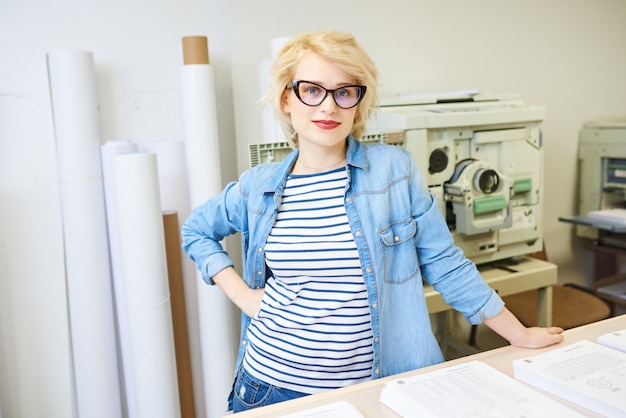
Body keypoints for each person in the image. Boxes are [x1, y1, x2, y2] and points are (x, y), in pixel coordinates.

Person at [181, 30, 564, 413]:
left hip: (371, 390)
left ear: (358, 103)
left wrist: (520, 335)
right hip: (268, 388)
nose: (328, 107)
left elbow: (446, 264)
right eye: (312, 90)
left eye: (344, 92)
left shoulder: (393, 173)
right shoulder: (258, 187)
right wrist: (243, 296)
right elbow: (196, 230)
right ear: (286, 98)